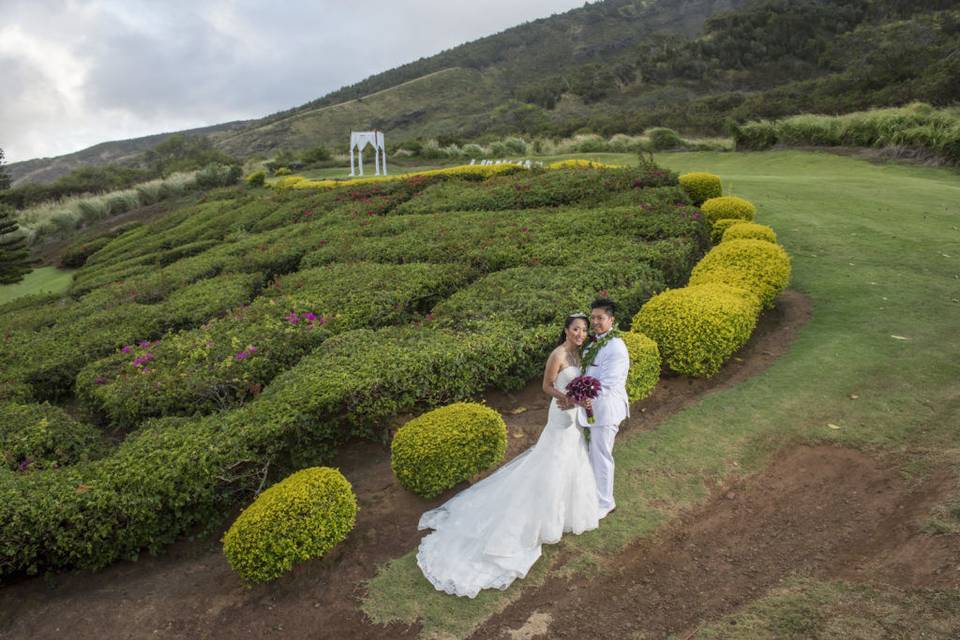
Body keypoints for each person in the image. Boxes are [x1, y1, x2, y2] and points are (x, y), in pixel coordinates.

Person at [416, 313, 600, 598]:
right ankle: (537, 519)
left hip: (573, 415)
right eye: (576, 329)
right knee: (552, 460)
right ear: (566, 330)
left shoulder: (579, 355)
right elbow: (547, 386)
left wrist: (582, 400)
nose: (580, 333)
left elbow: (582, 382)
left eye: (584, 330)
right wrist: (565, 398)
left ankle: (564, 515)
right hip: (560, 413)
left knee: (572, 458)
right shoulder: (559, 354)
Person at [577, 297, 630, 518]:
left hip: (607, 410)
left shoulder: (616, 347)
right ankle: (593, 495)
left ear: (611, 319)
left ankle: (606, 502)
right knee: (591, 453)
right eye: (594, 317)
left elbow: (608, 383)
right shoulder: (592, 343)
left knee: (601, 455)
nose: (596, 322)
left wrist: (579, 395)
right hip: (590, 409)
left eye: (600, 318)